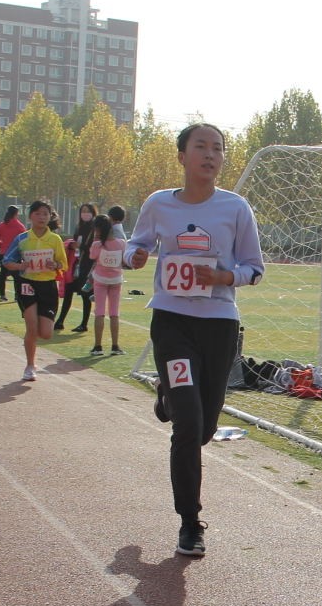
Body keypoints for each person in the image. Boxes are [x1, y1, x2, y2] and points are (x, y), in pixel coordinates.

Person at [125, 122, 266, 559]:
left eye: (218, 148)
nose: (210, 154)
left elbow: (254, 267)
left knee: (203, 428)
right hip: (172, 323)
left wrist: (224, 276)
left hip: (219, 324)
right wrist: (136, 256)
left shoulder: (235, 208)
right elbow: (135, 245)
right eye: (201, 146)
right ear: (182, 156)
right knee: (188, 426)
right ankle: (190, 522)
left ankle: (168, 399)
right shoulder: (158, 204)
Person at [4, 200, 67, 382]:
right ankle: (30, 365)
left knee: (46, 333)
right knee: (31, 327)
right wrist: (20, 265)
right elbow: (7, 260)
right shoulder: (22, 238)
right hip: (27, 284)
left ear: (50, 217)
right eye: (38, 213)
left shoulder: (55, 240)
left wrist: (54, 264)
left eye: (45, 214)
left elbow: (63, 264)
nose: (42, 217)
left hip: (47, 286)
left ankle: (30, 340)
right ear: (30, 216)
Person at [87, 209, 128, 354]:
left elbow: (92, 256)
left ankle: (98, 346)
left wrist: (96, 239)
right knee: (114, 313)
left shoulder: (97, 245)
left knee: (99, 312)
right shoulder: (121, 243)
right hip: (116, 280)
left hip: (100, 280)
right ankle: (115, 346)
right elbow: (124, 260)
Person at [56, 202, 101, 333]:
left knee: (85, 294)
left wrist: (80, 247)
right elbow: (75, 242)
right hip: (75, 263)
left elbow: (94, 246)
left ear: (93, 213)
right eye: (83, 211)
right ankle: (60, 321)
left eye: (87, 211)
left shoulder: (94, 228)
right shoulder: (79, 227)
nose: (84, 214)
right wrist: (71, 246)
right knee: (69, 290)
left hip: (87, 264)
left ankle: (84, 323)